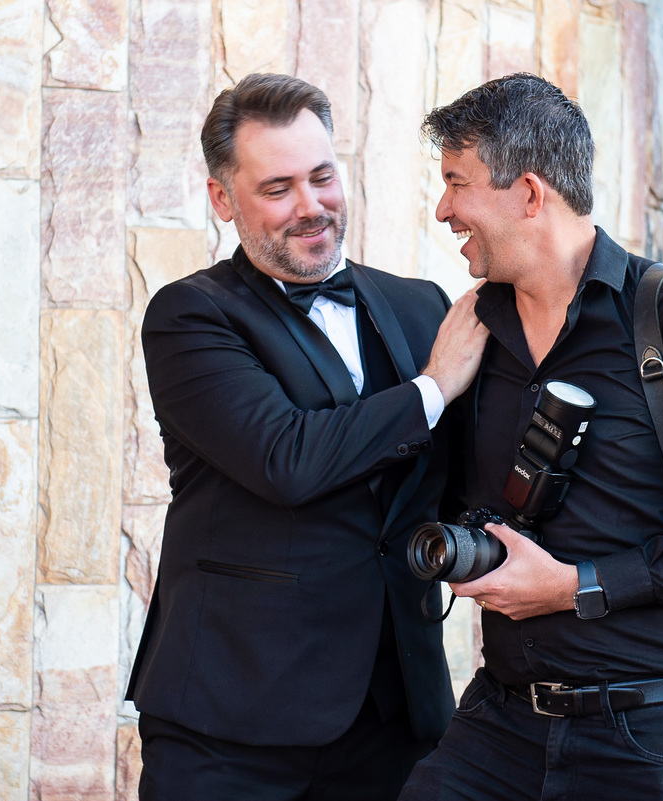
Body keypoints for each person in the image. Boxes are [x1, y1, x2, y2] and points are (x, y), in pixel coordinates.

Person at [398, 73, 663, 801]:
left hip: (656, 738)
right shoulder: (471, 333)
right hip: (500, 725)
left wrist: (576, 587)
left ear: (528, 193)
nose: (442, 209)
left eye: (457, 183)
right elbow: (450, 497)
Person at [125, 73, 489, 801]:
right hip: (230, 722)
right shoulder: (191, 317)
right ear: (223, 200)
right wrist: (431, 388)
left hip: (396, 717)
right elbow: (285, 457)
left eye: (322, 177)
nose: (311, 206)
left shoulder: (422, 307)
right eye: (277, 187)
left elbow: (462, 476)